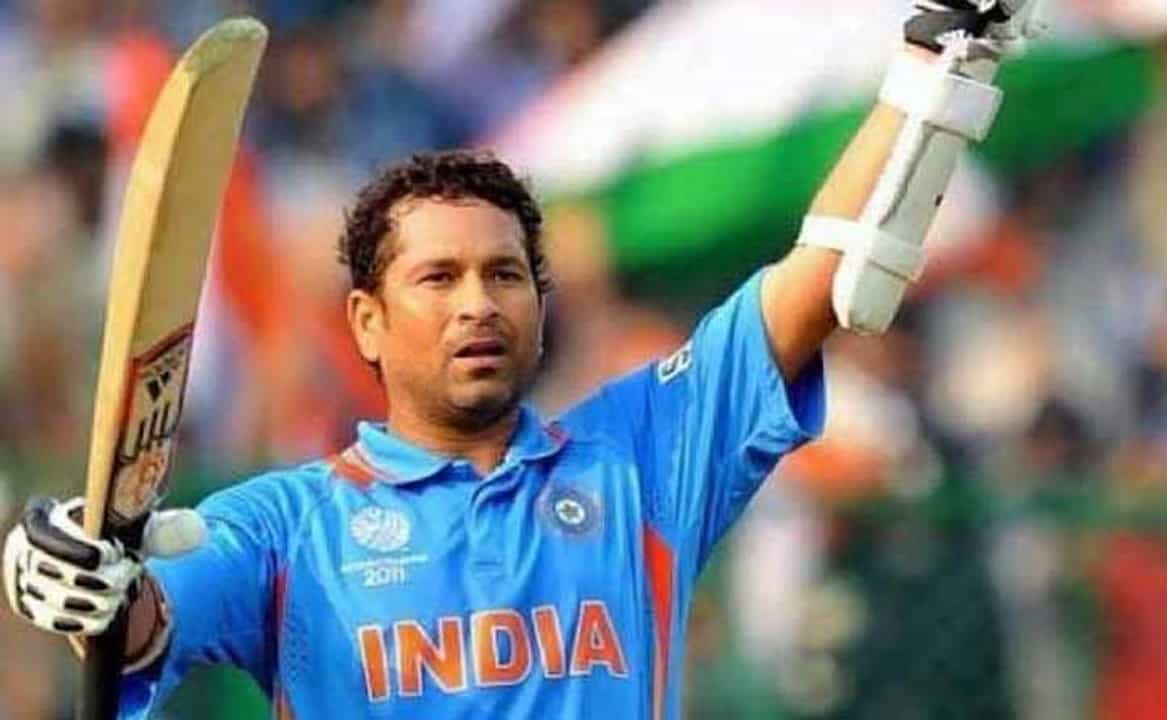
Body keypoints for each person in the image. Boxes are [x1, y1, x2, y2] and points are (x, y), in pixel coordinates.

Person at [2, 2, 1040, 717]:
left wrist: (938, 62)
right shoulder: (286, 524)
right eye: (437, 278)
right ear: (365, 321)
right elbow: (148, 619)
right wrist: (83, 581)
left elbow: (828, 273)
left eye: (504, 275)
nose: (477, 303)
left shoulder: (641, 456)